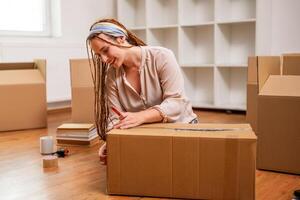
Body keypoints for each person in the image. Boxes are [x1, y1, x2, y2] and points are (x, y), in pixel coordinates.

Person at [86, 19, 198, 165]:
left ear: (121, 39)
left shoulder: (162, 56)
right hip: (147, 136)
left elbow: (177, 103)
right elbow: (113, 118)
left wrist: (141, 116)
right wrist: (112, 141)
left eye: (105, 50)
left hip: (181, 130)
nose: (104, 59)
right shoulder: (111, 77)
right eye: (99, 56)